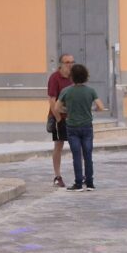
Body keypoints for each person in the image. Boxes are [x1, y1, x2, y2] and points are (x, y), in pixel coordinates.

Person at [56, 64, 106, 191]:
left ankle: (78, 183)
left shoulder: (66, 91)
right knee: (88, 155)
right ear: (85, 76)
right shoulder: (90, 91)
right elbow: (100, 107)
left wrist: (68, 109)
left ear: (71, 76)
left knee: (76, 155)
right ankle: (89, 183)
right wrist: (91, 109)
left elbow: (57, 108)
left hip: (72, 127)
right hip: (87, 127)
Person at [47, 54, 75, 188]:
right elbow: (52, 100)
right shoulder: (54, 78)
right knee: (59, 145)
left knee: (78, 146)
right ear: (61, 64)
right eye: (67, 62)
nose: (70, 65)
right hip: (59, 117)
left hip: (73, 118)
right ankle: (57, 176)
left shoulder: (74, 78)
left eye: (72, 62)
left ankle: (80, 175)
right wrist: (58, 119)